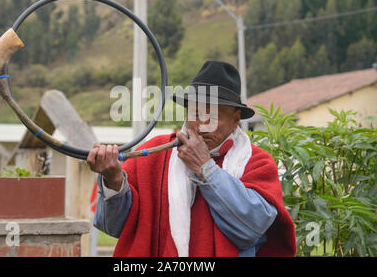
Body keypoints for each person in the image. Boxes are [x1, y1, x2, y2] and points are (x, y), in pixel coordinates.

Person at [87, 60, 296, 257]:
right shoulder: (154, 154)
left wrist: (206, 168)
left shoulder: (257, 162)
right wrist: (113, 181)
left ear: (235, 119)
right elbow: (112, 227)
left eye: (213, 115)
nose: (202, 124)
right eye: (196, 112)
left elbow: (252, 227)